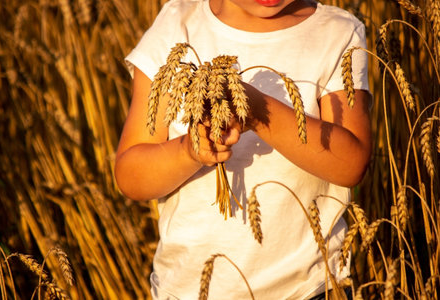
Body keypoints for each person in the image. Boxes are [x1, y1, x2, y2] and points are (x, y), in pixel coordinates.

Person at [115, 0, 372, 299]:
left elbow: (351, 164)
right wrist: (189, 150)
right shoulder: (178, 23)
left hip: (310, 288)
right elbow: (130, 175)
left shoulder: (337, 33)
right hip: (190, 290)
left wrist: (259, 112)